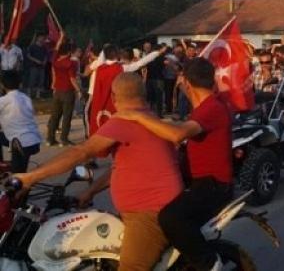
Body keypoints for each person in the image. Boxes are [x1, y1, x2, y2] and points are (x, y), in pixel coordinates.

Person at [15, 72, 184, 271]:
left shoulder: (124, 121)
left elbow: (82, 151)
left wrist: (30, 177)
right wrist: (90, 192)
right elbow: (121, 169)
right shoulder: (150, 118)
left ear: (113, 97)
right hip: (151, 208)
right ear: (144, 93)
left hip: (149, 214)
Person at [115, 58, 231, 271]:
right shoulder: (205, 107)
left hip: (212, 185)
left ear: (185, 82)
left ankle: (209, 262)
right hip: (201, 180)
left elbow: (177, 134)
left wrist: (136, 116)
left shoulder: (211, 108)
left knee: (170, 217)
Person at [0, 70, 42, 172]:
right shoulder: (26, 98)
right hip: (34, 140)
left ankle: (3, 165)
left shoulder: (3, 100)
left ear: (2, 85)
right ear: (20, 84)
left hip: (19, 143)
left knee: (17, 178)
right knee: (21, 171)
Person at [47, 37, 80, 146]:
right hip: (68, 91)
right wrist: (78, 90)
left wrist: (60, 38)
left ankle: (50, 139)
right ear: (69, 52)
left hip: (57, 91)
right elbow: (72, 79)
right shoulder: (71, 63)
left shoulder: (55, 60)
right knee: (67, 116)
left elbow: (56, 49)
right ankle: (64, 139)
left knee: (55, 115)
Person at [142, 42, 165, 118]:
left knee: (158, 97)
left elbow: (165, 63)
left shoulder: (160, 56)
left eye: (148, 47)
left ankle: (159, 114)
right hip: (149, 78)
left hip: (158, 79)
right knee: (150, 96)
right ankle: (151, 113)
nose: (147, 48)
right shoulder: (144, 56)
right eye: (146, 47)